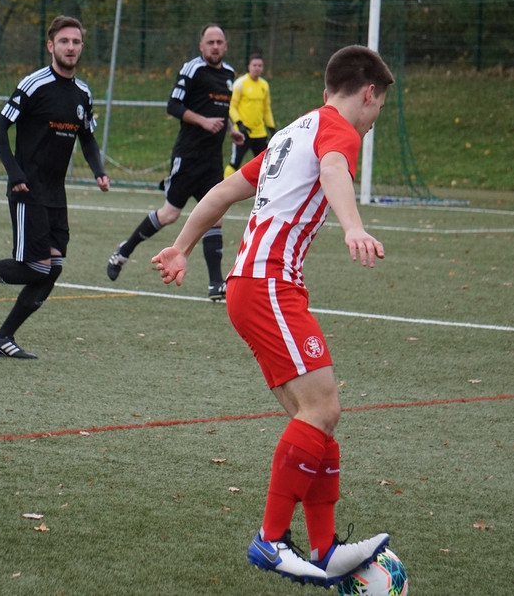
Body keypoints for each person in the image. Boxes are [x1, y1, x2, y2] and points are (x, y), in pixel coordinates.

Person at [151, 45, 394, 586]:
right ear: (368, 93)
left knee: (316, 415)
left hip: (253, 284)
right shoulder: (337, 131)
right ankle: (271, 539)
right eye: (378, 108)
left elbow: (223, 191)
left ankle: (326, 548)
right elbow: (334, 167)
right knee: (321, 408)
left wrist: (184, 248)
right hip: (269, 284)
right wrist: (353, 225)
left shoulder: (290, 132)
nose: (375, 120)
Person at [0, 15, 109, 359]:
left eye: (76, 42)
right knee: (35, 267)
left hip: (55, 195)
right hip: (27, 190)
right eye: (64, 41)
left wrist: (99, 171)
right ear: (51, 46)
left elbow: (87, 138)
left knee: (53, 268)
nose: (71, 47)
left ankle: (2, 338)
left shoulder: (83, 92)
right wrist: (16, 175)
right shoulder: (34, 84)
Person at [106, 24, 244, 300]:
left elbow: (222, 110)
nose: (215, 46)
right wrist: (203, 121)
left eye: (219, 42)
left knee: (214, 217)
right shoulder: (192, 70)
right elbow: (173, 105)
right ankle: (124, 250)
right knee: (170, 214)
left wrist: (231, 130)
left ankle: (216, 284)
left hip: (212, 160)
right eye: (210, 42)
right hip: (188, 156)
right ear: (201, 46)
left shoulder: (229, 75)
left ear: (225, 46)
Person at [224, 52, 275, 179]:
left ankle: (264, 191)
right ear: (249, 67)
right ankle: (223, 189)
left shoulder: (264, 85)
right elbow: (232, 107)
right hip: (243, 132)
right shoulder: (240, 84)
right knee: (234, 163)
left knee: (265, 164)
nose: (257, 68)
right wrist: (239, 123)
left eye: (260, 65)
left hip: (260, 132)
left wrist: (272, 128)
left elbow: (266, 109)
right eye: (254, 65)